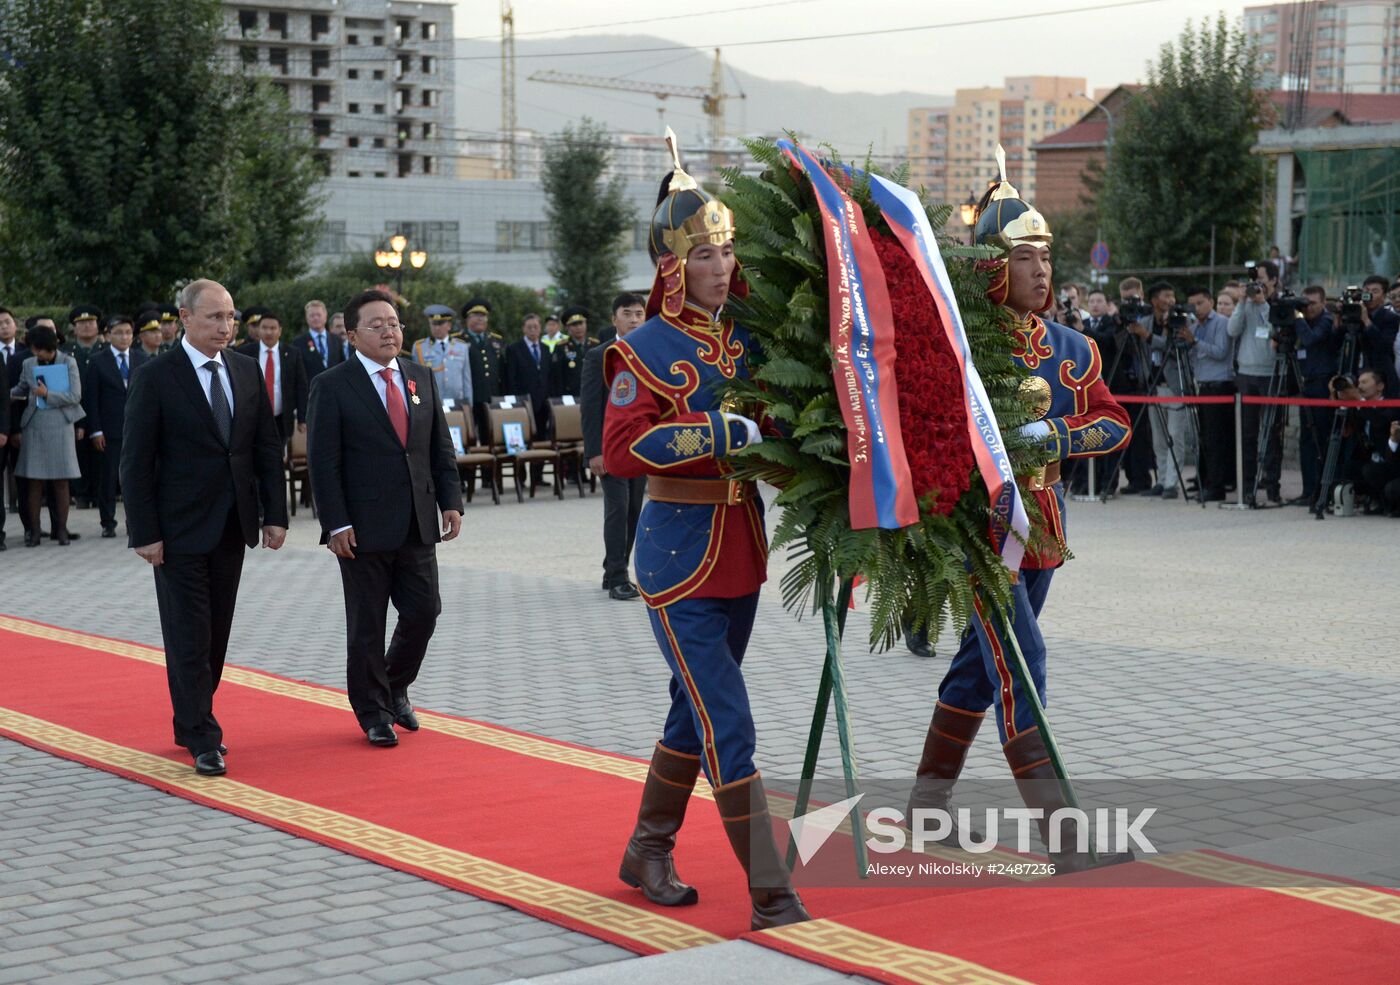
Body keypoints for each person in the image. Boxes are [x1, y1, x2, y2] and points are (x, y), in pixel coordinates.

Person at [908, 152, 1132, 874]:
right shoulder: (960, 350)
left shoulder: (1073, 348)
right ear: (991, 267)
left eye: (1046, 257)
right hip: (980, 527)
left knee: (979, 667)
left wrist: (1058, 436)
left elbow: (1115, 423)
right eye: (1025, 257)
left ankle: (923, 807)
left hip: (1045, 522)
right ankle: (1060, 830)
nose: (1041, 271)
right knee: (1022, 657)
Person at [604, 145, 807, 930]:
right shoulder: (642, 347)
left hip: (741, 552)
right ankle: (772, 890)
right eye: (705, 254)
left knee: (693, 709)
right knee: (728, 717)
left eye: (727, 250)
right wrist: (711, 430)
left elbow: (777, 436)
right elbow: (621, 449)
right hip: (677, 557)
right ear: (673, 263)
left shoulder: (748, 341)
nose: (721, 265)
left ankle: (646, 847)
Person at [120, 279, 288, 776]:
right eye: (214, 317)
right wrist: (144, 531)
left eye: (230, 317)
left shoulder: (245, 370)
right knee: (188, 634)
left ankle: (188, 715)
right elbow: (136, 462)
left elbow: (264, 449)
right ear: (185, 318)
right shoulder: (157, 377)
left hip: (232, 525)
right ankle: (202, 735)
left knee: (216, 635)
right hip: (177, 531)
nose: (225, 326)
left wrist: (274, 515)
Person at [307, 289, 463, 747]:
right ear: (352, 334)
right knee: (368, 624)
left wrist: (450, 501)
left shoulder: (420, 377)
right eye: (376, 325)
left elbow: (439, 447)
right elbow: (323, 462)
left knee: (424, 612)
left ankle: (394, 686)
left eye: (393, 323)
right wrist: (336, 523)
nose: (389, 331)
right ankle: (373, 711)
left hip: (417, 520)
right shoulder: (333, 385)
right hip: (361, 527)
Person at [581, 292, 647, 601]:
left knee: (634, 509)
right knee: (617, 509)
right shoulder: (600, 355)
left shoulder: (652, 352)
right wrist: (594, 451)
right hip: (610, 448)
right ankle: (620, 576)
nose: (634, 319)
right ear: (614, 319)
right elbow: (591, 407)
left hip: (641, 447)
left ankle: (612, 569)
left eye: (638, 313)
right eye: (627, 313)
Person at [10, 325, 85, 547]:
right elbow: (21, 389)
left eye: (38, 349)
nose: (36, 354)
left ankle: (61, 530)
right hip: (35, 424)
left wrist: (47, 394)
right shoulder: (28, 363)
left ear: (48, 347)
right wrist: (7, 396)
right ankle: (34, 532)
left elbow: (75, 395)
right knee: (34, 480)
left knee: (61, 481)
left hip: (61, 424)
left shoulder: (67, 362)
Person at [83, 315, 149, 537]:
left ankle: (135, 522)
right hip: (109, 430)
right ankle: (108, 522)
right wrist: (96, 430)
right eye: (119, 332)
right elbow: (91, 398)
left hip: (138, 429)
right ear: (108, 335)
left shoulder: (142, 359)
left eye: (128, 332)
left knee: (137, 477)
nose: (124, 337)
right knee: (108, 478)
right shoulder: (98, 361)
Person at [1228, 261, 1286, 504]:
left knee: (1272, 433)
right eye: (1254, 280)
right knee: (1247, 433)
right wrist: (1242, 303)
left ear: (1273, 280)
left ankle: (1272, 486)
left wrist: (1263, 305)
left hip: (1272, 373)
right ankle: (1247, 487)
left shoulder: (1280, 303)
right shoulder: (1246, 304)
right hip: (1247, 373)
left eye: (1261, 279)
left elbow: (1278, 330)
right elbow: (1232, 330)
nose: (1257, 285)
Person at [1184, 287, 1235, 501]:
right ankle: (1205, 480)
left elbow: (1221, 352)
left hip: (1220, 385)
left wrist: (1194, 342)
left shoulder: (1222, 323)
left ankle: (1217, 486)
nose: (1196, 309)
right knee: (1204, 437)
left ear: (1210, 302)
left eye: (1200, 303)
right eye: (1192, 305)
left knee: (1216, 440)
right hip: (1202, 385)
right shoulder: (1194, 326)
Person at [1139, 282, 1189, 499]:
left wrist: (1149, 336)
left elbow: (1170, 347)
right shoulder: (1145, 322)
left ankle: (1172, 482)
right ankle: (1160, 479)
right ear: (1154, 301)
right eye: (1165, 296)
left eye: (1172, 295)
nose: (1170, 300)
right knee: (1158, 438)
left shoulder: (1181, 322)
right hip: (1153, 385)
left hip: (1174, 385)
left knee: (1175, 436)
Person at [1295, 286, 1341, 505]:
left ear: (1323, 303)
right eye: (1305, 303)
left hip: (1323, 385)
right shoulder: (1304, 322)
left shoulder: (1326, 320)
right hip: (1306, 383)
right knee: (1305, 439)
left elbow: (1311, 339)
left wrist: (1297, 317)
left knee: (1319, 437)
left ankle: (1320, 490)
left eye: (1313, 303)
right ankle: (1307, 490)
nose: (1309, 307)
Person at [235, 307, 308, 442]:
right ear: (259, 330)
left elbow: (301, 386)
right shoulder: (244, 352)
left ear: (280, 330)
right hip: (253, 419)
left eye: (273, 328)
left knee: (278, 458)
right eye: (264, 328)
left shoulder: (292, 353)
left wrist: (302, 418)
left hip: (282, 418)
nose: (268, 332)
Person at [63, 305, 106, 510]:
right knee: (78, 454)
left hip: (102, 411)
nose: (87, 326)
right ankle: (81, 493)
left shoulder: (105, 351)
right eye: (81, 323)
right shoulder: (67, 353)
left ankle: (100, 493)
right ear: (74, 328)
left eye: (91, 322)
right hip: (75, 410)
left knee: (102, 456)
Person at [0, 307, 27, 551]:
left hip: (21, 426)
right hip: (5, 428)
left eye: (7, 322)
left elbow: (4, 397)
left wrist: (8, 428)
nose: (3, 327)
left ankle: (31, 528)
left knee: (25, 480)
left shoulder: (26, 353)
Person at [410, 304, 473, 405]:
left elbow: (466, 379)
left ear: (449, 325)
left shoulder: (461, 347)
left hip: (458, 403)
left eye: (440, 324)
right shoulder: (420, 347)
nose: (437, 327)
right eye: (434, 324)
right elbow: (415, 380)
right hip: (432, 403)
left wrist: (469, 405)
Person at [461, 297, 504, 442]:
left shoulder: (495, 340)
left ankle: (488, 466)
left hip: (491, 397)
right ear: (467, 319)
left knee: (490, 436)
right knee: (469, 437)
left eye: (483, 316)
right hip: (470, 398)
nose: (480, 319)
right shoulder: (459, 341)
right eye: (476, 316)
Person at [1359, 274, 1399, 397]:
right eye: (1366, 291)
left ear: (1384, 296)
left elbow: (1384, 346)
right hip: (1360, 374)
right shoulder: (1355, 315)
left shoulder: (1390, 317)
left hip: (1382, 377)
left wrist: (1366, 321)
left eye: (1375, 291)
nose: (1369, 295)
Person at [294, 299, 345, 382]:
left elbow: (342, 365)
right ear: (307, 318)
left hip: (335, 389)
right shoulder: (299, 342)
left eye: (318, 315)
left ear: (325, 316)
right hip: (312, 391)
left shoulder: (336, 340)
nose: (316, 318)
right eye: (312, 315)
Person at [549, 307, 595, 399]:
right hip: (570, 396)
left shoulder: (595, 345)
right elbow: (557, 376)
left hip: (593, 394)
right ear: (567, 327)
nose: (578, 327)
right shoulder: (561, 347)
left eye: (581, 323)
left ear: (586, 324)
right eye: (574, 325)